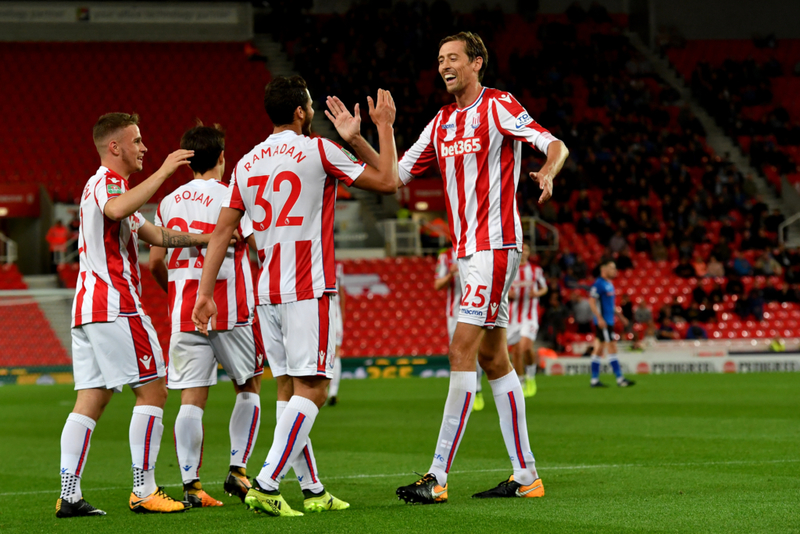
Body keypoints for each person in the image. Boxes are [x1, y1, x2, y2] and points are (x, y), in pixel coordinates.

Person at [327, 31, 568, 503]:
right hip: (467, 255)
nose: (444, 65)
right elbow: (392, 178)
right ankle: (526, 475)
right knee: (493, 359)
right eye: (439, 59)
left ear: (477, 62)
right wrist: (363, 136)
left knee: (460, 352)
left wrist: (547, 172)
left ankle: (436, 476)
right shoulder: (440, 123)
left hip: (496, 246)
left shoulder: (498, 105)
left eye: (453, 57)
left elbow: (553, 142)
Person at [192, 76, 400, 517]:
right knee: (316, 389)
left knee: (288, 390)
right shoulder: (319, 150)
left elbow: (222, 232)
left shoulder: (246, 164)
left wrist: (204, 293)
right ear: (303, 112)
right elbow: (388, 181)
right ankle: (267, 482)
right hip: (308, 287)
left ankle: (312, 488)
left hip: (266, 291)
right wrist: (371, 132)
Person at [57, 112, 224, 518]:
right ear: (114, 147)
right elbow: (115, 210)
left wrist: (210, 237)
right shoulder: (109, 184)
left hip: (89, 307)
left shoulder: (113, 191)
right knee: (153, 391)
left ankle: (69, 493)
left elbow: (156, 236)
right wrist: (166, 170)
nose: (145, 148)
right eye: (137, 140)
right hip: (116, 303)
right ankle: (144, 489)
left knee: (90, 399)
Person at [148, 124, 264, 508]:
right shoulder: (234, 195)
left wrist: (178, 294)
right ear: (222, 157)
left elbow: (154, 262)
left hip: (184, 310)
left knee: (191, 399)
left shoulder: (167, 202)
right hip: (229, 306)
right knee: (249, 384)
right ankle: (238, 470)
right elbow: (253, 245)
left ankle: (191, 487)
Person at [434, 245, 486, 411]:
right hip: (454, 313)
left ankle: (476, 388)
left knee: (473, 349)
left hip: (474, 309)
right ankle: (462, 392)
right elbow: (437, 285)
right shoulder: (446, 257)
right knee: (456, 353)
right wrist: (451, 273)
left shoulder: (479, 252)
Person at [508, 243, 547, 398]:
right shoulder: (509, 270)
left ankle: (531, 376)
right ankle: (521, 381)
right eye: (520, 250)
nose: (523, 253)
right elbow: (501, 290)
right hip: (512, 318)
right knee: (516, 352)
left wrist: (537, 293)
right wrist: (508, 294)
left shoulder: (536, 270)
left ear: (529, 253)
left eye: (526, 250)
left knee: (526, 348)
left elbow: (544, 288)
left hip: (529, 317)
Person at [588, 258, 635, 388]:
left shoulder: (609, 284)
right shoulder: (598, 284)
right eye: (612, 268)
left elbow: (610, 305)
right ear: (604, 269)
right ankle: (620, 379)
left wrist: (620, 317)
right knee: (611, 347)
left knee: (599, 349)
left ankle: (594, 380)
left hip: (609, 320)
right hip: (604, 322)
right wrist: (599, 318)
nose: (615, 271)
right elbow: (591, 301)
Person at [327, 261, 346, 406]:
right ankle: (333, 391)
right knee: (336, 352)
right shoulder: (337, 267)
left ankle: (329, 391)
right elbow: (342, 292)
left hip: (322, 312)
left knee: (324, 352)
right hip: (335, 313)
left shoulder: (312, 259)